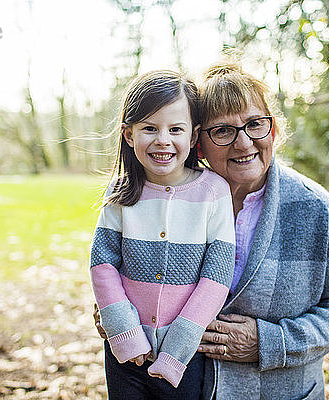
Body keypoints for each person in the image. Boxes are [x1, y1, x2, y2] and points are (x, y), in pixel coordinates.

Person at [95, 63, 329, 399]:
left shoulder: (316, 210)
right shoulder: (172, 195)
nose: (243, 143)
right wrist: (119, 318)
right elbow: (122, 269)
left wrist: (271, 342)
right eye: (224, 131)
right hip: (185, 385)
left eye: (255, 124)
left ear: (274, 131)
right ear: (200, 142)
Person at [89, 70, 235, 399]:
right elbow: (102, 265)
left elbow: (217, 276)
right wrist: (124, 332)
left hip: (186, 354)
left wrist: (178, 348)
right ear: (128, 135)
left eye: (175, 129)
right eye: (149, 128)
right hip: (124, 352)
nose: (162, 140)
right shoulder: (121, 194)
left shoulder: (213, 192)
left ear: (194, 135)